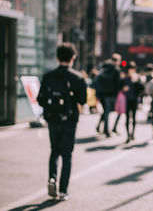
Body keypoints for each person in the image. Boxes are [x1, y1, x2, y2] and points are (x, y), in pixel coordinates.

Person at [37, 43, 87, 201]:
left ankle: (52, 179)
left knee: (54, 151)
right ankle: (63, 190)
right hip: (70, 120)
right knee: (67, 155)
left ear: (58, 58)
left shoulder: (48, 76)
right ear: (73, 58)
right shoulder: (77, 78)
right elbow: (83, 100)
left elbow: (40, 99)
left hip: (52, 119)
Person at [95, 54, 121, 137]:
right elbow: (118, 83)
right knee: (119, 111)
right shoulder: (116, 70)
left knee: (106, 112)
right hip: (113, 94)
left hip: (104, 94)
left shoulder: (105, 69)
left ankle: (105, 129)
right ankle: (112, 128)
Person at [123, 61, 144, 144]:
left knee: (134, 118)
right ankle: (128, 135)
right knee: (127, 118)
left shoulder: (137, 78)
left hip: (135, 100)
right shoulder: (125, 78)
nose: (131, 71)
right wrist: (123, 89)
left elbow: (142, 89)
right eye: (130, 69)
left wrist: (136, 82)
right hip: (127, 100)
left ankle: (133, 134)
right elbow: (120, 87)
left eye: (132, 69)